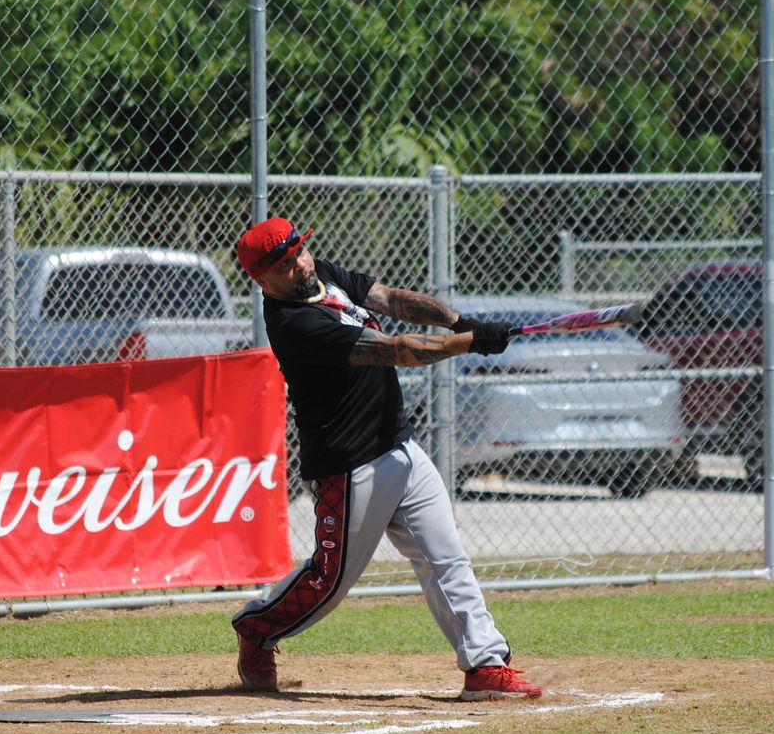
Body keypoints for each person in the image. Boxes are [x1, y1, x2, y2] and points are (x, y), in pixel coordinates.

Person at [230, 216, 543, 701]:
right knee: (329, 580)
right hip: (349, 465)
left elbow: (391, 301)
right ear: (260, 279)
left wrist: (461, 323)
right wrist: (470, 344)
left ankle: (484, 665)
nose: (299, 266)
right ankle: (256, 627)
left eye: (299, 254)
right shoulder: (295, 323)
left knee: (446, 559)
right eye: (284, 265)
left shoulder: (322, 277)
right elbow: (395, 350)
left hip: (400, 447)